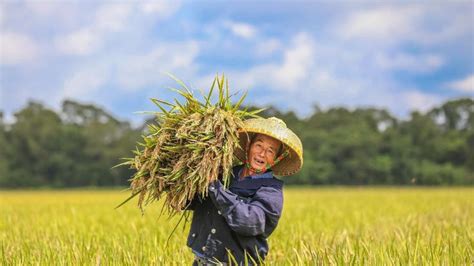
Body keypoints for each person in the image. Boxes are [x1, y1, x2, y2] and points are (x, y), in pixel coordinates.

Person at [186, 117, 303, 265]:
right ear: (249, 146)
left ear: (276, 158)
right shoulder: (226, 174)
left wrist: (215, 187)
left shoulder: (271, 191)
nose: (262, 153)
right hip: (202, 260)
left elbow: (248, 221)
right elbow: (194, 202)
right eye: (259, 145)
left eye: (270, 151)